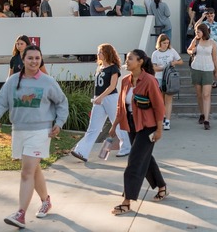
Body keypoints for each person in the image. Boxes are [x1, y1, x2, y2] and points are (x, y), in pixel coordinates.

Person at [0, 45, 68, 228]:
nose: (34, 61)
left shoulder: (48, 82)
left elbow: (62, 103)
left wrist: (59, 123)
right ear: (23, 60)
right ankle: (46, 200)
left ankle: (21, 214)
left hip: (40, 131)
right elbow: (0, 102)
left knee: (27, 171)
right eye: (30, 58)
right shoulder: (13, 81)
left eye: (37, 58)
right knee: (34, 170)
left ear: (41, 60)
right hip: (19, 130)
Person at [109, 49, 168, 215]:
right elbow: (121, 106)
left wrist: (159, 129)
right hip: (132, 124)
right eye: (126, 59)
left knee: (134, 162)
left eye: (130, 59)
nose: (126, 62)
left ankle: (127, 201)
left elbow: (159, 106)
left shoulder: (149, 81)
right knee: (146, 158)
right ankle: (162, 186)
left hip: (147, 126)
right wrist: (114, 126)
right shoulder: (126, 80)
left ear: (140, 61)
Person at [71, 43, 132, 162]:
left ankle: (126, 147)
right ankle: (81, 151)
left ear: (107, 53)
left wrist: (101, 97)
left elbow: (112, 86)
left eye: (100, 52)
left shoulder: (113, 68)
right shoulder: (99, 68)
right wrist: (97, 98)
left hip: (110, 98)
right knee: (93, 127)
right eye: (98, 52)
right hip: (98, 99)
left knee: (117, 123)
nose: (98, 54)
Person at [187, 23, 217, 130]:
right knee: (199, 95)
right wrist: (192, 51)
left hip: (208, 69)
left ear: (204, 32)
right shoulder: (196, 41)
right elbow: (188, 50)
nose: (197, 33)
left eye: (198, 32)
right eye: (196, 32)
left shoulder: (212, 43)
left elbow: (215, 58)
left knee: (206, 95)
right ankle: (202, 113)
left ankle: (206, 119)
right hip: (196, 68)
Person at [152, 34, 183, 130]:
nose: (166, 45)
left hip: (169, 77)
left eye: (167, 43)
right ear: (159, 43)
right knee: (160, 99)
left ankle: (167, 121)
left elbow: (180, 61)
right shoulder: (155, 53)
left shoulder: (171, 51)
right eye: (164, 43)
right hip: (159, 78)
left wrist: (174, 63)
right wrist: (163, 68)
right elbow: (154, 68)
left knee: (168, 100)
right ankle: (162, 117)